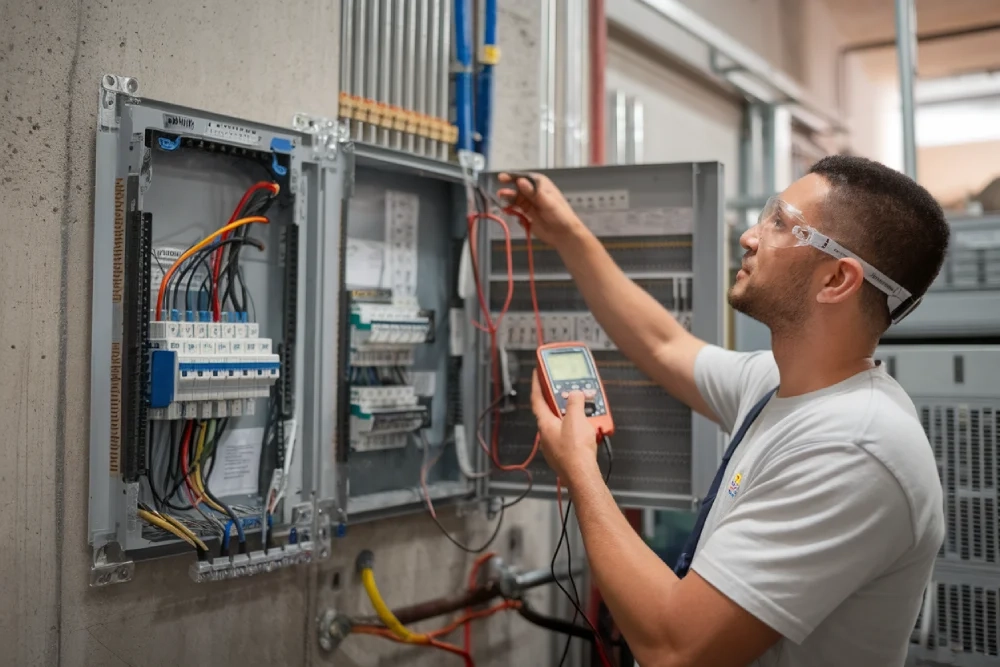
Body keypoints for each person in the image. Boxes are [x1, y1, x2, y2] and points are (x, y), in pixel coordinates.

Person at [497, 155, 949, 667]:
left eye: (780, 223)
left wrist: (579, 469)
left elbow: (676, 649)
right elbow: (662, 344)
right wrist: (567, 233)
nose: (750, 237)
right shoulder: (778, 383)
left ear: (836, 281)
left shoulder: (854, 448)